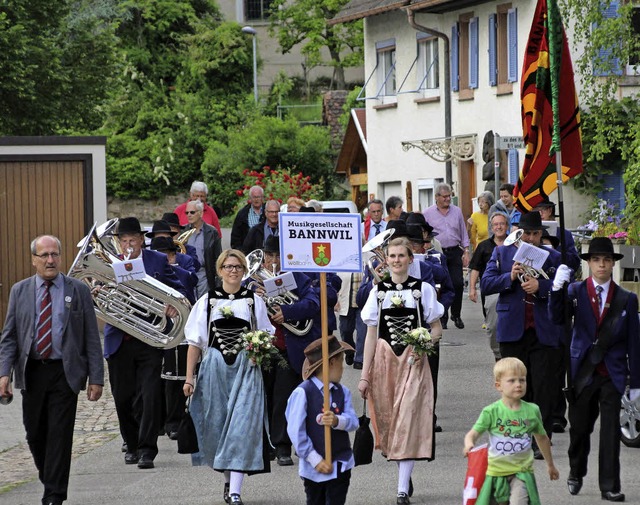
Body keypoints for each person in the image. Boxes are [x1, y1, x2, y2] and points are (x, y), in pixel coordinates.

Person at [0, 235, 104, 505]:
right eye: (44, 255)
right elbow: (9, 337)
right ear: (34, 259)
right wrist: (3, 374)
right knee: (35, 433)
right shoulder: (19, 291)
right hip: (32, 372)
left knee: (59, 434)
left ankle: (54, 495)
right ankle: (51, 479)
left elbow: (91, 336)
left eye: (54, 254)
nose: (50, 260)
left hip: (64, 372)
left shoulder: (77, 290)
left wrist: (97, 378)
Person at [549, 237, 640, 502]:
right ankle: (576, 471)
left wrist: (636, 384)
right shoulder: (575, 291)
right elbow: (557, 319)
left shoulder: (627, 299)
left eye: (607, 260)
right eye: (596, 260)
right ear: (589, 264)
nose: (602, 265)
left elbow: (634, 342)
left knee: (611, 432)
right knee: (579, 430)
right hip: (582, 372)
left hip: (612, 373)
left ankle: (609, 485)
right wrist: (557, 289)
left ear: (613, 264)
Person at [183, 249, 275, 505]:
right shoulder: (208, 301)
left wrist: (259, 351)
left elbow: (266, 334)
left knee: (242, 427)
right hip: (215, 368)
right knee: (218, 425)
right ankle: (227, 481)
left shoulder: (252, 301)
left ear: (244, 272)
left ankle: (235, 491)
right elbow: (195, 343)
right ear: (219, 270)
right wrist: (189, 378)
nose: (233, 271)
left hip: (246, 368)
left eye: (238, 267)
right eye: (228, 266)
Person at [359, 237, 444, 505]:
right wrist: (364, 375)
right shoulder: (378, 292)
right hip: (385, 362)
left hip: (413, 361)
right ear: (387, 260)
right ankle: (404, 475)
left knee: (407, 418)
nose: (397, 260)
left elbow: (437, 329)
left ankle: (400, 491)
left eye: (401, 256)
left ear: (410, 259)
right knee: (389, 424)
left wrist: (423, 344)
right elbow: (371, 336)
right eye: (392, 256)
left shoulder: (423, 290)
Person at [103, 217, 187, 470]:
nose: (129, 245)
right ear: (119, 242)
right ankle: (131, 443)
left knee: (150, 396)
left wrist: (172, 303)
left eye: (133, 240)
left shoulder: (158, 260)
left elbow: (178, 288)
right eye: (124, 240)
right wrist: (97, 290)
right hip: (120, 338)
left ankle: (147, 450)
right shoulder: (110, 262)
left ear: (142, 240)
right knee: (123, 397)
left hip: (149, 338)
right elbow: (98, 288)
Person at [480, 211, 563, 459]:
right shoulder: (502, 252)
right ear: (519, 232)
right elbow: (486, 284)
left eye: (536, 233)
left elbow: (566, 289)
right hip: (512, 329)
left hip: (543, 329)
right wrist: (510, 276)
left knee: (543, 387)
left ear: (541, 234)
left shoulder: (554, 257)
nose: (531, 238)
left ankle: (541, 439)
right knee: (515, 387)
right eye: (527, 233)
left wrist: (543, 286)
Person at [254, 235, 322, 466]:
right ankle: (266, 445)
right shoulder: (252, 282)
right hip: (261, 347)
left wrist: (287, 311)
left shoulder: (297, 278)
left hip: (288, 348)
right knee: (262, 398)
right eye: (269, 256)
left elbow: (314, 303)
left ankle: (283, 446)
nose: (273, 262)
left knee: (283, 398)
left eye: (278, 256)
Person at [463, 357, 559, 504]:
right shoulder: (491, 411)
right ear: (498, 385)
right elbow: (473, 433)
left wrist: (550, 465)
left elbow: (542, 438)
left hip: (522, 473)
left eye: (522, 380)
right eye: (512, 381)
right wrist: (469, 443)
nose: (518, 385)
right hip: (495, 473)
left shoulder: (532, 410)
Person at [286, 336, 358, 505]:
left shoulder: (343, 391)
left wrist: (337, 421)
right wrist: (314, 459)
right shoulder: (303, 393)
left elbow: (353, 421)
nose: (342, 368)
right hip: (313, 469)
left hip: (340, 464)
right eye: (341, 362)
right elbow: (296, 431)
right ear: (331, 363)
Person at [423, 183, 470, 329]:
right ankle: (442, 316)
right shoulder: (428, 213)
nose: (448, 199)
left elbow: (463, 232)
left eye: (449, 196)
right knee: (441, 285)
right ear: (437, 197)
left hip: (455, 251)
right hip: (438, 252)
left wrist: (466, 251)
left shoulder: (456, 211)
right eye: (444, 196)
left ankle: (456, 314)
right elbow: (424, 234)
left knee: (457, 283)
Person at [468, 212, 509, 360]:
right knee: (493, 325)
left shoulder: (515, 243)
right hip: (491, 291)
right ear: (491, 227)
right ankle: (498, 354)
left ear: (507, 225)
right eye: (496, 224)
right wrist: (472, 288)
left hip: (511, 288)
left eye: (502, 224)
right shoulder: (484, 246)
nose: (499, 227)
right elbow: (475, 268)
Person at [185, 199, 222, 297]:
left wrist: (218, 280)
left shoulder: (211, 232)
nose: (189, 215)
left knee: (204, 304)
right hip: (187, 273)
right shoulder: (183, 231)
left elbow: (218, 257)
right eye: (187, 212)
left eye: (192, 212)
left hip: (205, 274)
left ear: (200, 213)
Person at [533, 200, 580, 271]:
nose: (540, 213)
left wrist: (554, 251)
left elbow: (574, 263)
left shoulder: (564, 234)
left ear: (550, 211)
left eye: (543, 210)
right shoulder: (529, 234)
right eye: (536, 210)